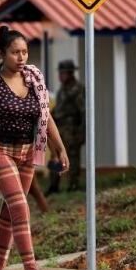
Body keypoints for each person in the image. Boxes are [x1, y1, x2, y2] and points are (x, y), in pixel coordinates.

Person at [0, 26, 70, 270]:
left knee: (10, 212)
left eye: (25, 51)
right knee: (19, 206)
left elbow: (45, 119)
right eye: (15, 52)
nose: (22, 57)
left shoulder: (34, 79)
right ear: (1, 53)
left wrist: (59, 148)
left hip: (27, 152)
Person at [48, 60, 85, 194]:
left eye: (62, 73)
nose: (60, 76)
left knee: (73, 158)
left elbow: (83, 111)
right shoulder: (62, 89)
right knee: (56, 155)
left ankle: (73, 185)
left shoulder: (78, 89)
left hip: (72, 130)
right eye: (60, 73)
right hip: (60, 129)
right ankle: (54, 186)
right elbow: (59, 108)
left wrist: (82, 132)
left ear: (69, 74)